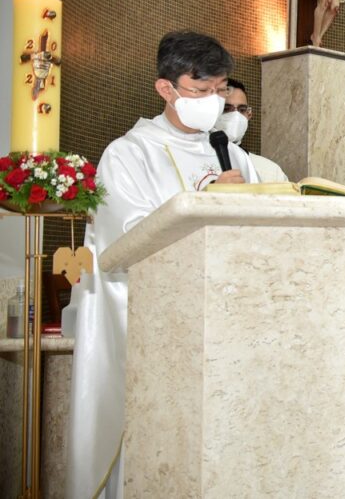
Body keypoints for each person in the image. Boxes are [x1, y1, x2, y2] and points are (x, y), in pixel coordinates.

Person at [66, 31, 257, 498]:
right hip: (155, 326)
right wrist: (206, 201)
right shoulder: (128, 154)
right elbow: (128, 238)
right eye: (200, 91)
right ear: (165, 89)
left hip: (225, 324)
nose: (213, 103)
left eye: (220, 91)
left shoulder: (233, 155)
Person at [214, 78, 289, 182]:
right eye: (226, 109)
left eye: (242, 110)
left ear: (249, 115)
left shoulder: (270, 171)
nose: (235, 116)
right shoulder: (194, 162)